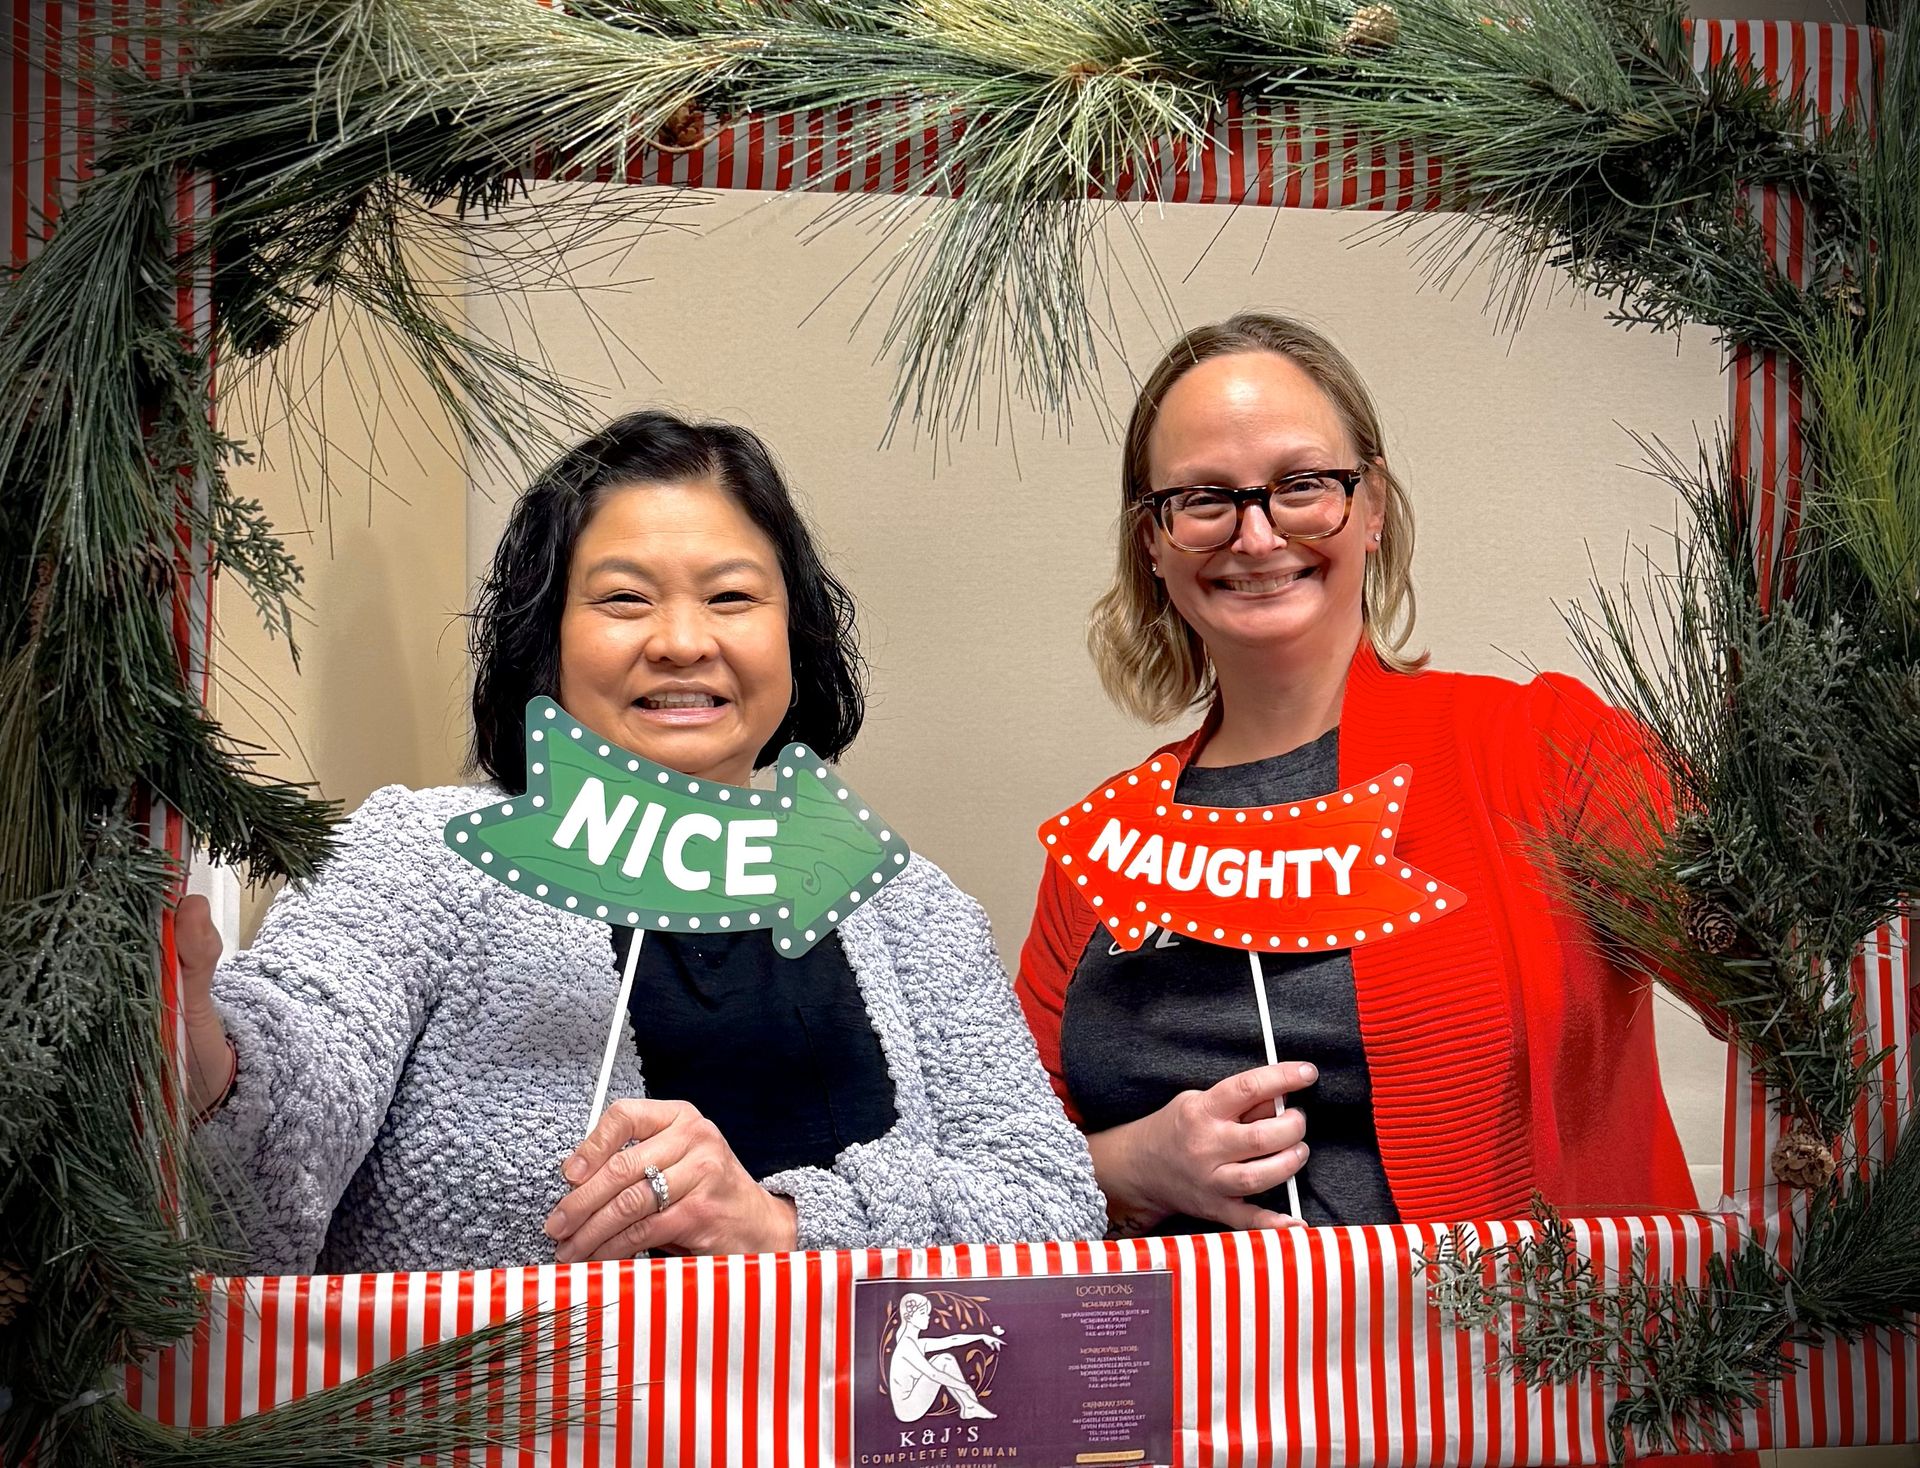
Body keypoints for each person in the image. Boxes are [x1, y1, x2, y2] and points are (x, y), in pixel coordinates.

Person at [179, 409, 1106, 1273]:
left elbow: (1049, 1201)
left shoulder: (905, 903)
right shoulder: (428, 854)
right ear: (546, 639)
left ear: (796, 635)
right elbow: (278, 1130)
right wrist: (200, 1055)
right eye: (624, 599)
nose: (681, 641)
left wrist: (778, 1222)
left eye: (733, 597)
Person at [1016, 313, 1697, 1236]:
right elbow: (999, 1167)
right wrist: (1128, 1167)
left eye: (1303, 485)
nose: (1256, 537)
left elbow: (1790, 978)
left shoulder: (1545, 752)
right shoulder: (1097, 848)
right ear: (1152, 539)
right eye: (1205, 498)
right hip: (1189, 1378)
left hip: (1508, 1371)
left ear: (1372, 504)